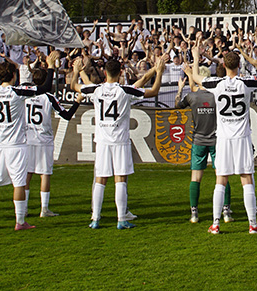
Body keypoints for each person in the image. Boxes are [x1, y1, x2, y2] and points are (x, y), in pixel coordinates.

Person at [71, 54, 167, 229]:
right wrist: (159, 72)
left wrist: (77, 71)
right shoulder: (124, 91)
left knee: (100, 179)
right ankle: (121, 219)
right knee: (120, 178)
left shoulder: (96, 90)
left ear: (104, 72)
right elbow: (152, 90)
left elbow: (75, 86)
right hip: (120, 141)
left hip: (102, 141)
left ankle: (95, 218)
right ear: (121, 72)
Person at [194, 42, 257, 235]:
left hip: (223, 139)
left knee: (220, 180)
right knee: (246, 178)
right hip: (241, 137)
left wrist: (196, 57)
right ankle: (252, 224)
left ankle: (215, 224)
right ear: (239, 65)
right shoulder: (245, 83)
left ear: (223, 65)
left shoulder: (217, 84)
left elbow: (196, 77)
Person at [0, 54, 58, 231]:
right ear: (13, 76)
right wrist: (51, 66)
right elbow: (44, 88)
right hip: (17, 145)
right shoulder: (17, 92)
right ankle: (20, 221)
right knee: (19, 183)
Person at [177, 67, 233, 224]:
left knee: (195, 177)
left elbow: (177, 105)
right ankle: (226, 212)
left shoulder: (192, 96)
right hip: (216, 140)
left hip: (198, 140)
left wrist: (180, 89)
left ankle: (194, 213)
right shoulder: (216, 96)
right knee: (221, 175)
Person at [25, 62, 80, 219]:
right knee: (45, 174)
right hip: (44, 139)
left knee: (27, 175)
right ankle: (44, 209)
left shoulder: (25, 95)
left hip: (27, 139)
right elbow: (66, 115)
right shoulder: (49, 98)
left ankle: (24, 208)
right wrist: (77, 101)